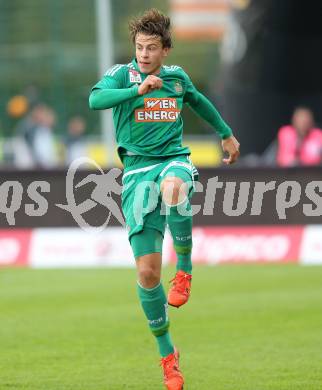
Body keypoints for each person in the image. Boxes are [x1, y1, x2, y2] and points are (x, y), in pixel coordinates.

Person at [89, 9, 240, 389]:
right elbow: (96, 100)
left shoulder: (176, 79)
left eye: (151, 48)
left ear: (166, 50)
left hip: (172, 161)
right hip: (137, 174)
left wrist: (225, 133)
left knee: (175, 189)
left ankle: (186, 270)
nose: (143, 54)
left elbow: (199, 101)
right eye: (139, 47)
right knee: (147, 274)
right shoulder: (122, 75)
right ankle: (168, 357)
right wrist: (134, 91)